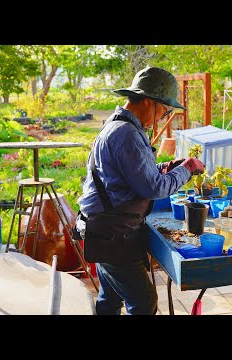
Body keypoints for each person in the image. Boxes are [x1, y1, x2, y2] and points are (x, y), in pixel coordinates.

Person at [76, 66, 205, 315]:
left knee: (110, 299)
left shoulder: (120, 126)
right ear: (147, 102)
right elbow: (154, 187)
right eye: (164, 110)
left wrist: (168, 166)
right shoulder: (126, 133)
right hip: (112, 236)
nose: (162, 118)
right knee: (144, 302)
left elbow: (136, 173)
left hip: (103, 231)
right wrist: (187, 168)